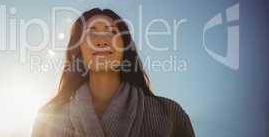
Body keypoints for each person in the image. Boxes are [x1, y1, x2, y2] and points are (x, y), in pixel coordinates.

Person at [32, 8, 195, 137]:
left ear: (125, 47)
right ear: (79, 50)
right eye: (91, 33)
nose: (101, 40)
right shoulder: (48, 118)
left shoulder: (170, 113)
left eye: (112, 32)